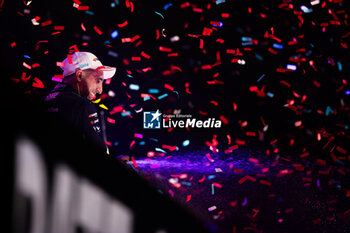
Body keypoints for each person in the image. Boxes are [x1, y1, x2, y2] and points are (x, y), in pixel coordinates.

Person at [44, 51, 116, 154]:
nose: (100, 90)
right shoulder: (83, 105)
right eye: (98, 81)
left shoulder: (47, 99)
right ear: (79, 75)